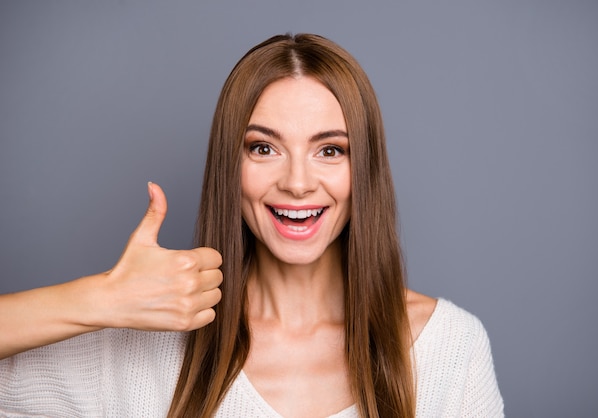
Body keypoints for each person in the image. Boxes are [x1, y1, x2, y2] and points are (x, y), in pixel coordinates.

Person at [0, 33, 503, 417]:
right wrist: (101, 299)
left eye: (330, 150)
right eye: (264, 148)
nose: (298, 183)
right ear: (230, 164)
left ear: (363, 169)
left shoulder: (450, 349)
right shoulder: (141, 346)